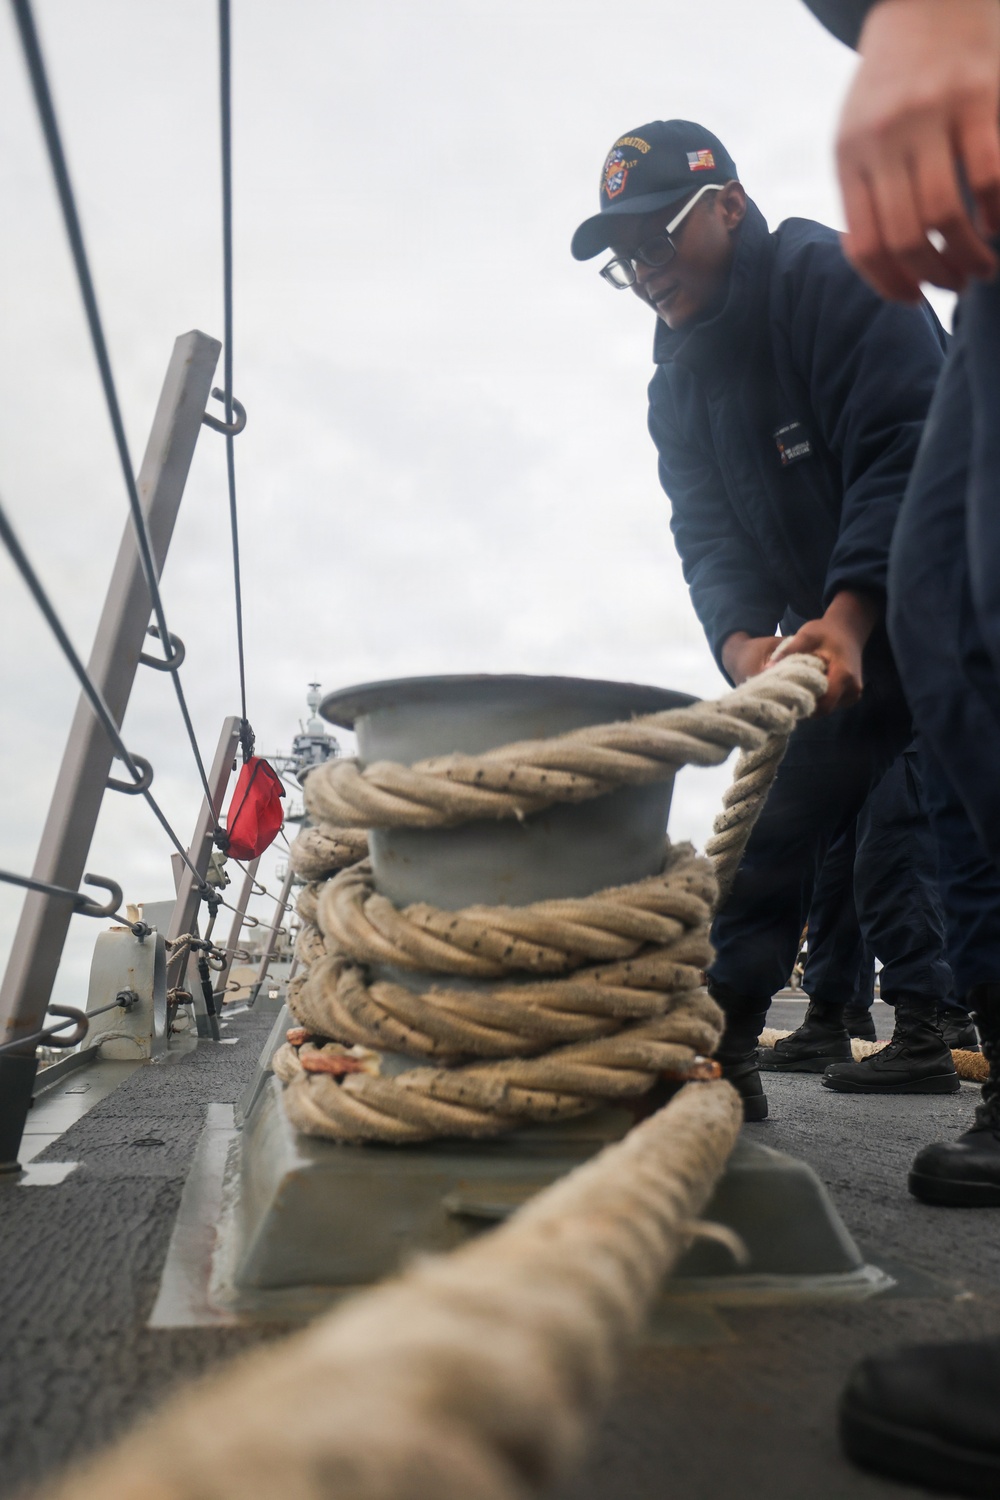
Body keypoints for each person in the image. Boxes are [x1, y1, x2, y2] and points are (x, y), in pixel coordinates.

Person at [570, 118, 958, 1119]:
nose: (644, 270)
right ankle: (720, 1056)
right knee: (769, 835)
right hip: (837, 640)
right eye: (624, 258)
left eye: (656, 238)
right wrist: (747, 643)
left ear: (729, 205)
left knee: (972, 829)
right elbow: (706, 534)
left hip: (959, 596)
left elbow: (907, 444)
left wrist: (848, 609)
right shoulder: (677, 389)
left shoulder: (827, 278)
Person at [801, 1, 1000, 1493]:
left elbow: (883, 418)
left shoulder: (812, 287)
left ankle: (927, 1028)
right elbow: (708, 514)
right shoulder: (681, 373)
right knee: (963, 623)